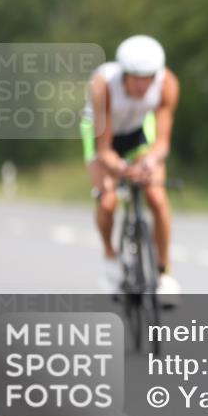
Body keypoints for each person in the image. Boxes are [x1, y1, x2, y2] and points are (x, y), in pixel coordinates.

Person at [81, 35, 181, 302]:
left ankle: (163, 271)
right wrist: (123, 171)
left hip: (138, 132)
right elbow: (104, 150)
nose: (141, 84)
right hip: (103, 134)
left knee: (157, 197)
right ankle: (110, 255)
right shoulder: (103, 86)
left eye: (147, 77)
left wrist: (148, 163)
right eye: (135, 76)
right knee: (108, 201)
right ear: (124, 72)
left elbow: (161, 142)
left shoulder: (168, 84)